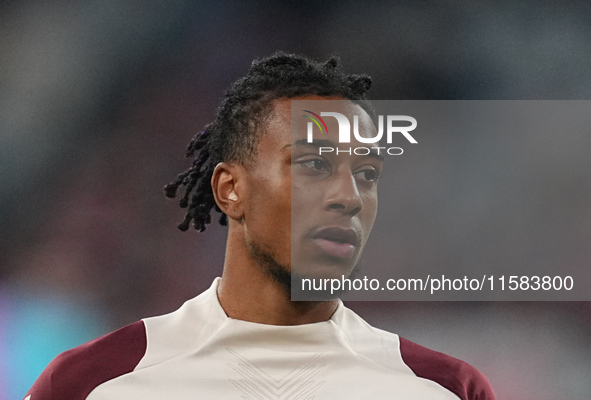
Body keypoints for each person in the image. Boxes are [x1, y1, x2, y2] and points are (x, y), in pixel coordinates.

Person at [25, 52, 496, 400]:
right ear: (231, 189)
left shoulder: (445, 388)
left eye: (367, 174)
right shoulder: (93, 382)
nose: (349, 198)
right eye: (314, 165)